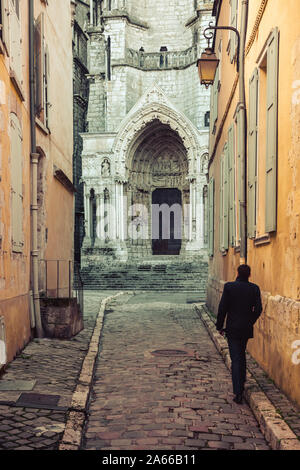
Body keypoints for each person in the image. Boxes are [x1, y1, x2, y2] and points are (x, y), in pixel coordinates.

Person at [216, 264, 262, 404]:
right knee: (241, 354)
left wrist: (219, 325)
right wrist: (250, 321)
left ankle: (238, 391)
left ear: (237, 273)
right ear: (249, 274)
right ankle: (241, 382)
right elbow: (258, 309)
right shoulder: (254, 288)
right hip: (245, 328)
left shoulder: (230, 287)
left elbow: (223, 307)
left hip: (233, 328)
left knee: (236, 358)